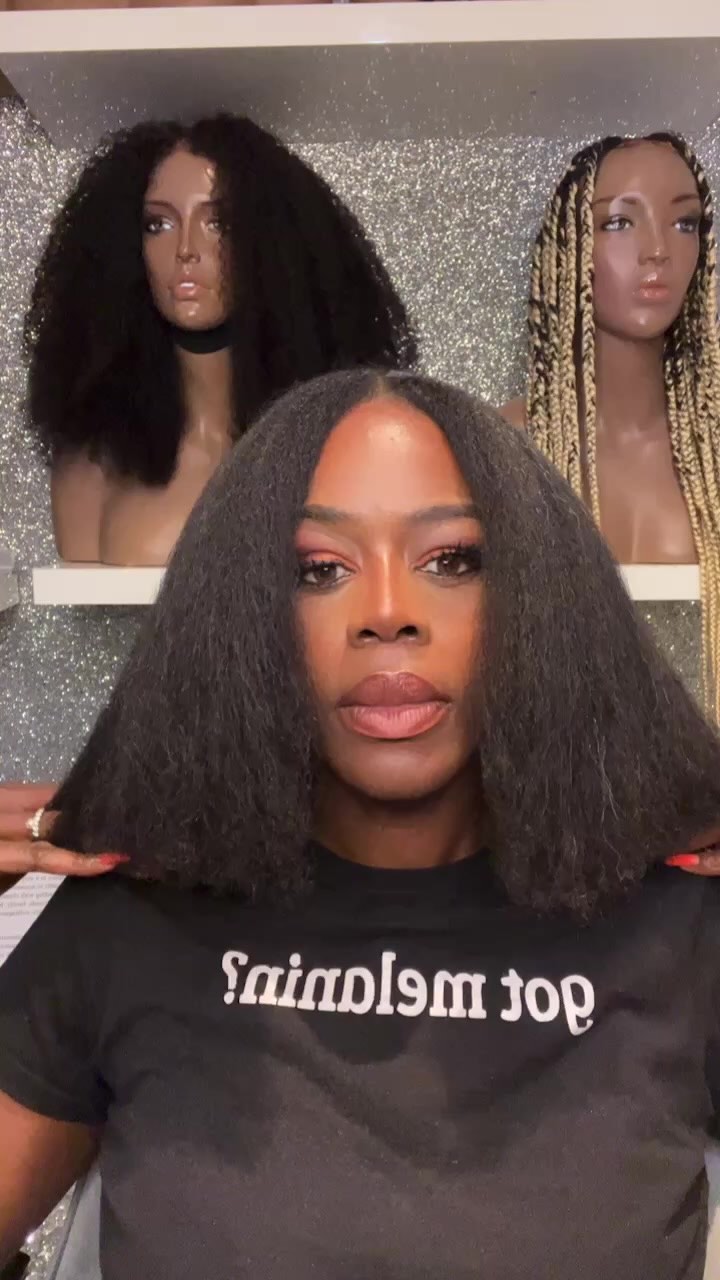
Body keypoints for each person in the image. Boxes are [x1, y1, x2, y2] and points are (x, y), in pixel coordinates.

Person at [2, 369, 720, 1280]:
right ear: (243, 615)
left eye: (451, 560)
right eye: (320, 569)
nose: (387, 614)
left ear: (540, 597)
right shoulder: (126, 920)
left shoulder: (682, 924)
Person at [26, 112, 415, 564]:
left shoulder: (336, 446)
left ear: (267, 243)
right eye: (158, 224)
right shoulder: (92, 467)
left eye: (218, 223)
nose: (185, 249)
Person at [502, 133, 720, 711]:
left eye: (685, 223)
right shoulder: (508, 449)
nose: (658, 251)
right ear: (569, 247)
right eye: (620, 222)